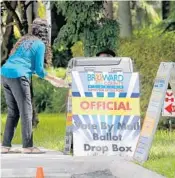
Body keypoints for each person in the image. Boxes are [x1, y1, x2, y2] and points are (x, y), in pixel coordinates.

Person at [0, 18, 68, 154]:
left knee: (13, 112)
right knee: (26, 111)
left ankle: (5, 146)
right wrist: (55, 79)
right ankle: (28, 146)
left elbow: (26, 66)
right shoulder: (39, 44)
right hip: (18, 76)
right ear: (45, 33)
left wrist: (51, 80)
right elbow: (39, 70)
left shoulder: (24, 41)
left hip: (4, 73)